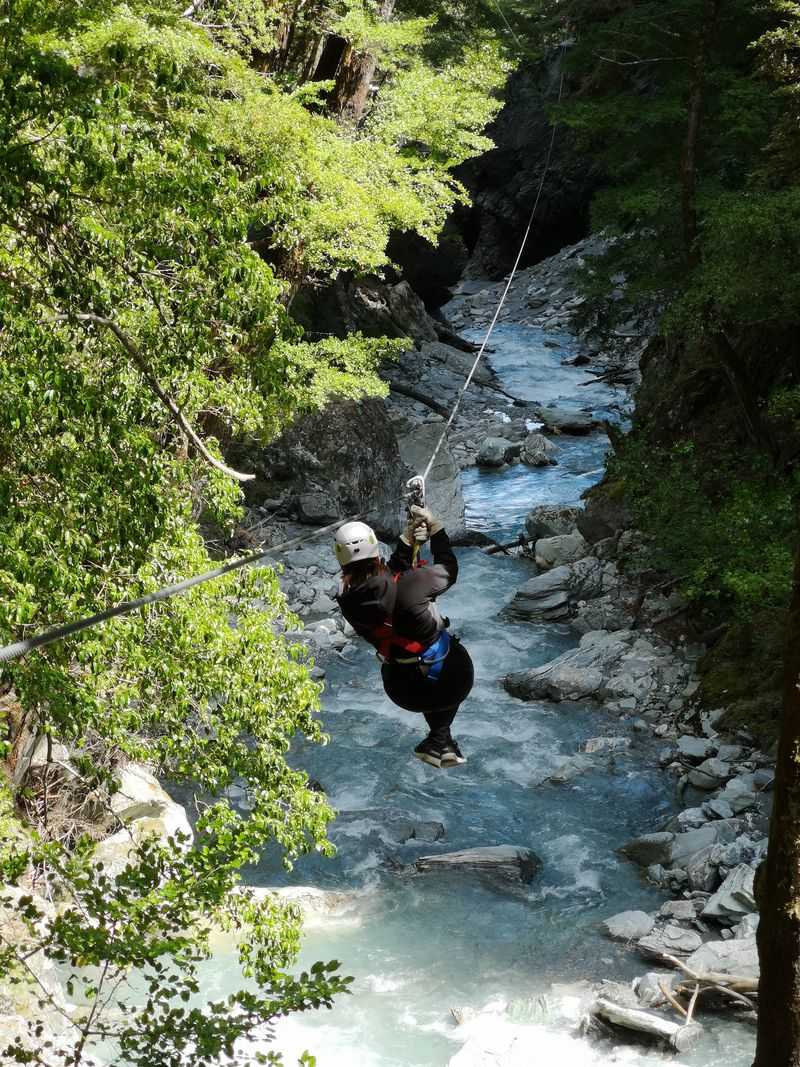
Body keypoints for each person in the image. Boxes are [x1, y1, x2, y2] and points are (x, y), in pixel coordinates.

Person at [334, 505, 474, 768]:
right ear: (377, 550)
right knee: (449, 650)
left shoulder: (346, 597)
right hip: (449, 681)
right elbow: (448, 567)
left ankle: (439, 740)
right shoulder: (413, 583)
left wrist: (409, 539)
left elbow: (386, 580)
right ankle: (440, 738)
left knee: (421, 666)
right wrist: (437, 529)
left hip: (402, 690)